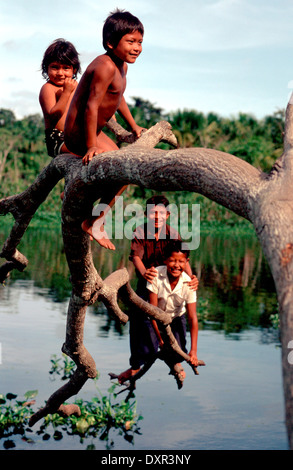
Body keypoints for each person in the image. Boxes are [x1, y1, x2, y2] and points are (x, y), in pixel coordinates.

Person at [64, 9, 145, 250]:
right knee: (123, 170)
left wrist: (134, 127)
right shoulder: (105, 66)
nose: (137, 47)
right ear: (111, 43)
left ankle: (83, 204)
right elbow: (91, 106)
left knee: (124, 171)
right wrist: (90, 145)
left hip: (95, 132)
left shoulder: (121, 67)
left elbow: (118, 97)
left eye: (140, 42)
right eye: (130, 41)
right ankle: (94, 223)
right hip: (80, 133)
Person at [117, 195, 199, 384]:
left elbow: (183, 258)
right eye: (153, 213)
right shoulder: (140, 232)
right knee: (140, 324)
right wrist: (145, 273)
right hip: (149, 281)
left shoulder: (173, 233)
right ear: (147, 214)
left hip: (168, 281)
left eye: (161, 213)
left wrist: (192, 277)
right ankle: (136, 365)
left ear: (167, 215)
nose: (157, 216)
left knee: (177, 324)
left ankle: (176, 361)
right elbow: (136, 257)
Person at [147, 241, 199, 387]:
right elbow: (153, 312)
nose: (176, 265)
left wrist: (194, 352)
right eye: (172, 260)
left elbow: (192, 317)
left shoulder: (189, 283)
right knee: (153, 349)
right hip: (156, 317)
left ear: (187, 262)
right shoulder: (155, 275)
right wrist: (160, 338)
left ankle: (175, 363)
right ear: (165, 259)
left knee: (180, 351)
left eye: (181, 261)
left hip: (176, 318)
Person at [39, 39, 81, 158]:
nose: (60, 73)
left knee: (109, 150)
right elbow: (53, 115)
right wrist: (66, 92)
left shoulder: (76, 85)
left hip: (76, 136)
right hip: (58, 139)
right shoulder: (48, 88)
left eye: (66, 68)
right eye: (55, 67)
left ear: (74, 70)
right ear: (46, 68)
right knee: (85, 152)